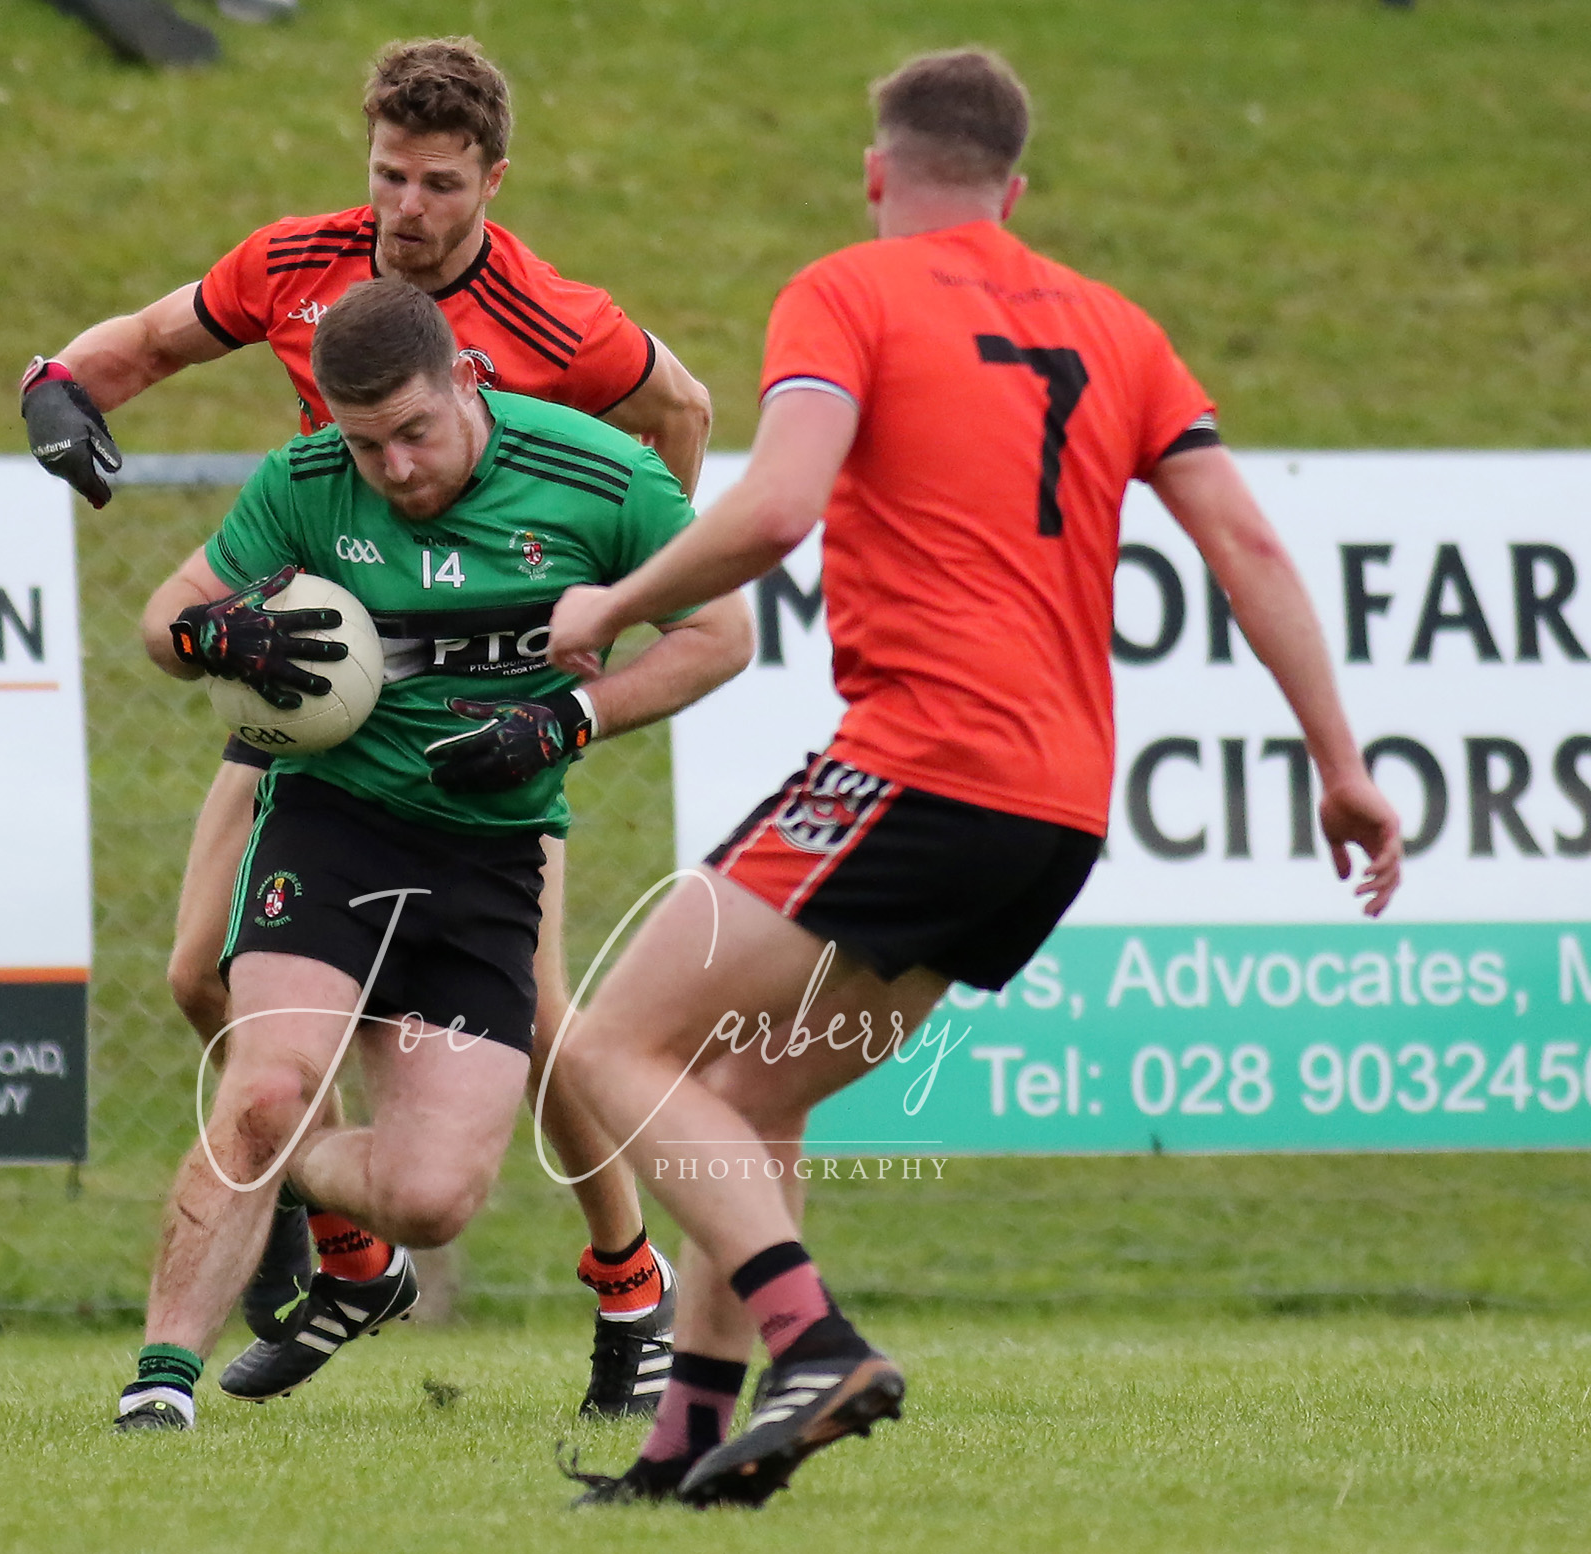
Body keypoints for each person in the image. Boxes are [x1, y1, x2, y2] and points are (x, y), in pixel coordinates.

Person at [544, 48, 1406, 1506]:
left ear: (880, 170)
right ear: (1015, 189)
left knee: (611, 1049)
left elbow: (778, 505)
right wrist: (1342, 761)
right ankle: (689, 1446)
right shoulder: (1121, 328)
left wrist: (612, 604)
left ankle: (810, 1340)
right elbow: (1249, 548)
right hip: (1057, 814)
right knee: (747, 1092)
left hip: (925, 764)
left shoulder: (849, 289)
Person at [20, 37, 713, 1415]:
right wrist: (58, 392)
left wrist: (609, 606)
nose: (407, 205)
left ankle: (633, 1288)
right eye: (389, 172)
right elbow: (140, 345)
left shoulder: (554, 319)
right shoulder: (294, 263)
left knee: (542, 1010)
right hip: (319, 672)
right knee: (202, 974)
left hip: (481, 708)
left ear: (492, 182)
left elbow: (679, 409)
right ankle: (354, 1260)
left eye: (440, 183)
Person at [113, 279, 751, 1432]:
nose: (394, 467)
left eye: (412, 431)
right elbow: (165, 620)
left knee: (430, 1197)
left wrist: (568, 722)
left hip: (491, 852)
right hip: (331, 815)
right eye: (366, 443)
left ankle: (378, 1238)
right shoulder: (306, 484)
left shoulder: (599, 479)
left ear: (468, 379)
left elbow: (719, 636)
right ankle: (160, 1383)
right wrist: (214, 632)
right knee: (261, 1086)